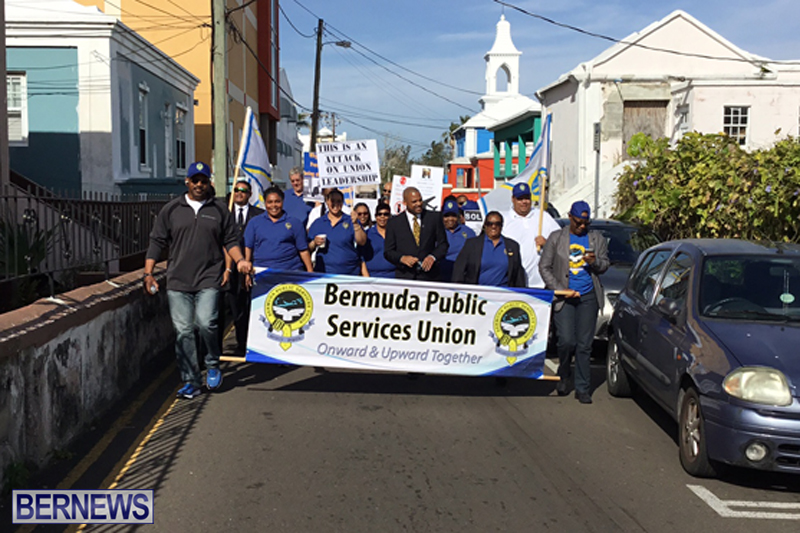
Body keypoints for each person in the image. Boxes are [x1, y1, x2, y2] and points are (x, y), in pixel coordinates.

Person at [144, 162, 252, 399]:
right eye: (195, 180)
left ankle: (212, 363)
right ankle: (191, 380)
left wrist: (240, 261)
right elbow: (157, 241)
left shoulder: (219, 210)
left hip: (209, 278)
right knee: (183, 331)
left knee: (206, 323)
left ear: (208, 183)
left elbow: (230, 240)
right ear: (187, 182)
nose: (199, 185)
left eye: (203, 181)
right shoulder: (172, 209)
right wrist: (148, 273)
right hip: (178, 281)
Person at [539, 200, 610, 404]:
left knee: (584, 344)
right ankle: (563, 373)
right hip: (565, 296)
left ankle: (582, 387)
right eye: (578, 222)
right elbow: (544, 267)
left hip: (588, 296)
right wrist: (560, 289)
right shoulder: (556, 238)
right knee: (566, 341)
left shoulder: (596, 239)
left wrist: (595, 262)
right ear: (570, 217)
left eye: (586, 223)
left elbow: (604, 265)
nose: (582, 226)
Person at [223, 179, 264, 355]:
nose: (239, 193)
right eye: (236, 190)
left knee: (250, 308)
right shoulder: (225, 213)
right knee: (232, 309)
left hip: (251, 268)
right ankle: (231, 347)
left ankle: (249, 343)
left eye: (243, 190)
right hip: (228, 269)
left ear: (250, 194)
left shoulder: (259, 215)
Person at [244, 186, 313, 275]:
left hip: (290, 271)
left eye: (277, 201)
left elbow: (303, 250)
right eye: (270, 202)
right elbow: (248, 247)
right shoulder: (254, 222)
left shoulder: (295, 223)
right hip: (262, 272)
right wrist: (247, 272)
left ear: (283, 201)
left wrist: (310, 272)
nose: (274, 205)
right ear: (265, 203)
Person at [503, 182, 561, 288]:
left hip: (541, 282)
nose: (524, 202)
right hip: (515, 283)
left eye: (527, 198)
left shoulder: (543, 216)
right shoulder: (504, 220)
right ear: (513, 199)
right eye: (520, 199)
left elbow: (562, 242)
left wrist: (547, 243)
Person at [384, 186, 448, 281]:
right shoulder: (394, 223)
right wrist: (402, 258)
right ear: (405, 203)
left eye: (420, 200)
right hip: (406, 276)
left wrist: (433, 257)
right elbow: (388, 251)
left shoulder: (434, 218)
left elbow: (443, 244)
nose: (418, 204)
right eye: (414, 202)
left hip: (430, 276)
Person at [451, 211, 526, 287]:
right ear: (485, 225)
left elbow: (518, 274)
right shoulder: (472, 244)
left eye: (497, 224)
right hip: (478, 291)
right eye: (490, 224)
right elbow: (459, 269)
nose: (493, 226)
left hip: (503, 292)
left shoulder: (512, 246)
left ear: (502, 225)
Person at [307, 189, 367, 275]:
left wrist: (355, 224)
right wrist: (314, 243)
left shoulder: (350, 220)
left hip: (349, 273)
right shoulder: (318, 223)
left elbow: (362, 242)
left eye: (339, 201)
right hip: (324, 273)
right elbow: (307, 249)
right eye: (333, 201)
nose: (336, 204)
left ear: (342, 203)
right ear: (327, 202)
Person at [439, 198, 475, 282]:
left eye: (453, 215)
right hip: (441, 275)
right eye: (446, 216)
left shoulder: (469, 232)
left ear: (458, 216)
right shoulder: (437, 231)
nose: (450, 219)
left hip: (462, 275)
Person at [358, 203, 396, 278]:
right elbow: (361, 259)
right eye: (379, 214)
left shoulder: (396, 234)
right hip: (373, 276)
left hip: (394, 276)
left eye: (385, 214)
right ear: (375, 216)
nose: (382, 217)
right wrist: (367, 278)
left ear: (390, 216)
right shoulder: (367, 234)